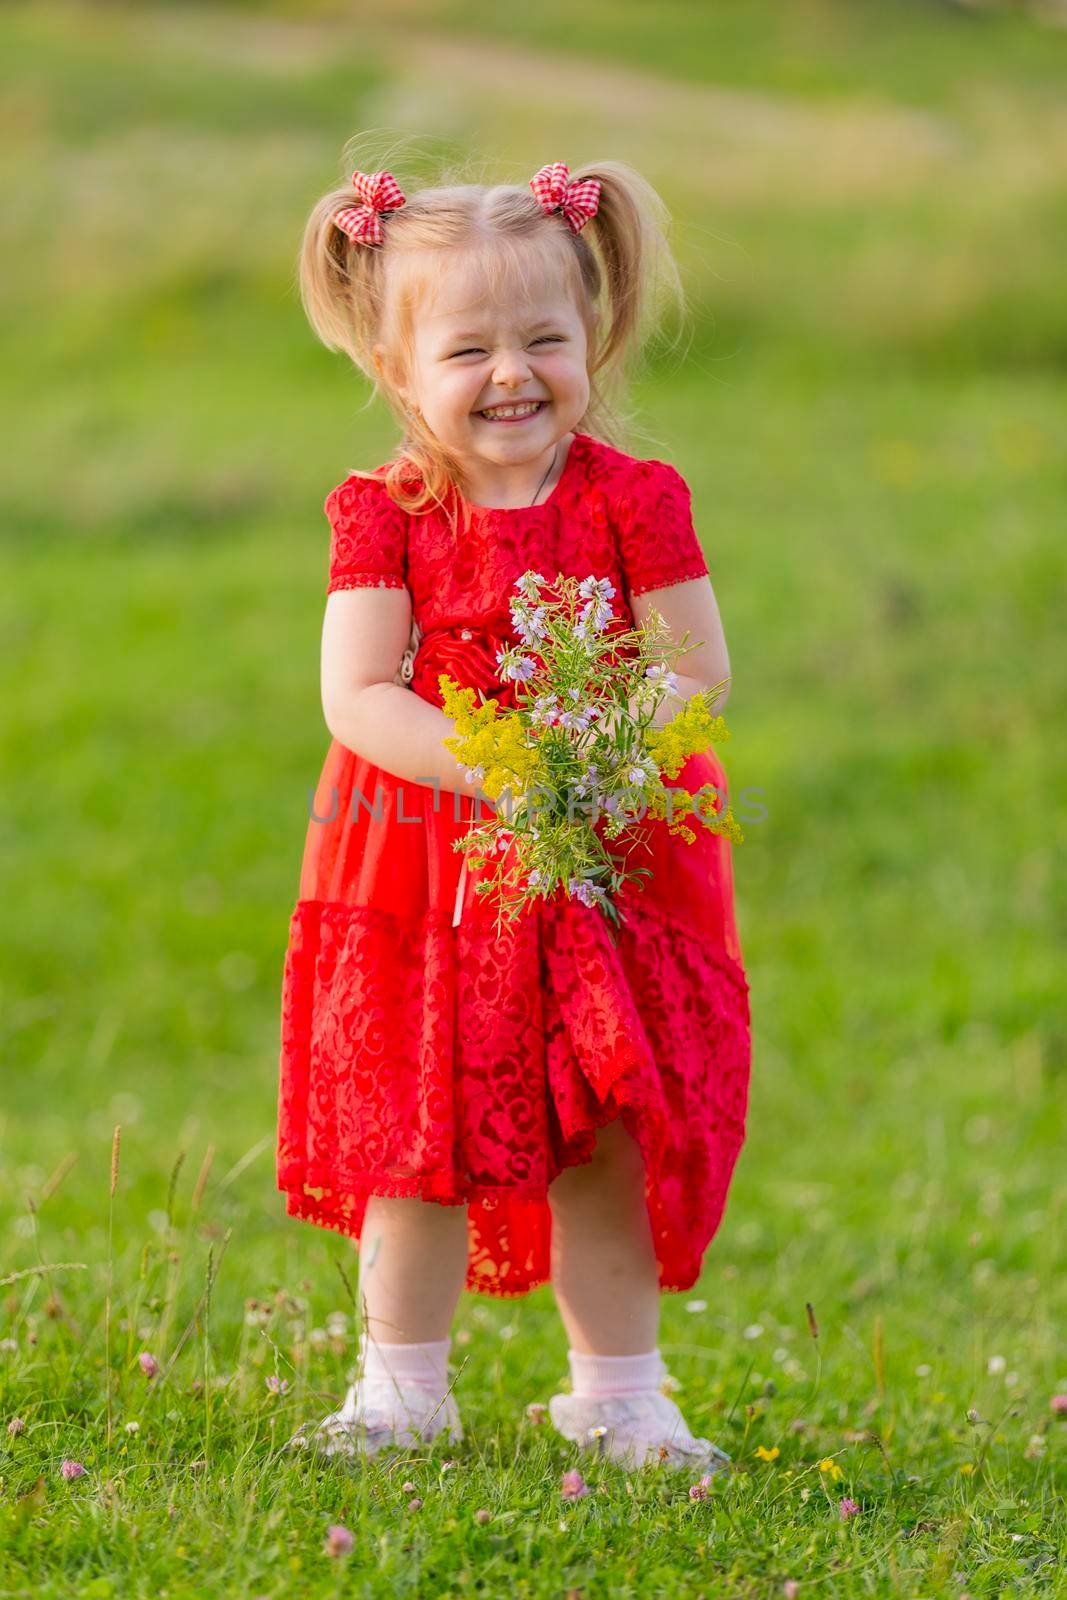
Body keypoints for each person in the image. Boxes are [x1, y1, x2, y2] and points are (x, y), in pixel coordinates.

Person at [278, 157, 750, 1473]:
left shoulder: (632, 497)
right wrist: (501, 764)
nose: (512, 374)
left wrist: (590, 755)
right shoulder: (387, 513)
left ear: (590, 335)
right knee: (413, 1125)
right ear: (394, 357)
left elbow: (694, 667)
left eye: (545, 338)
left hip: (602, 851)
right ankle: (401, 1385)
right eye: (468, 347)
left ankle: (619, 1389)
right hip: (431, 857)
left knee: (603, 1120)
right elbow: (361, 692)